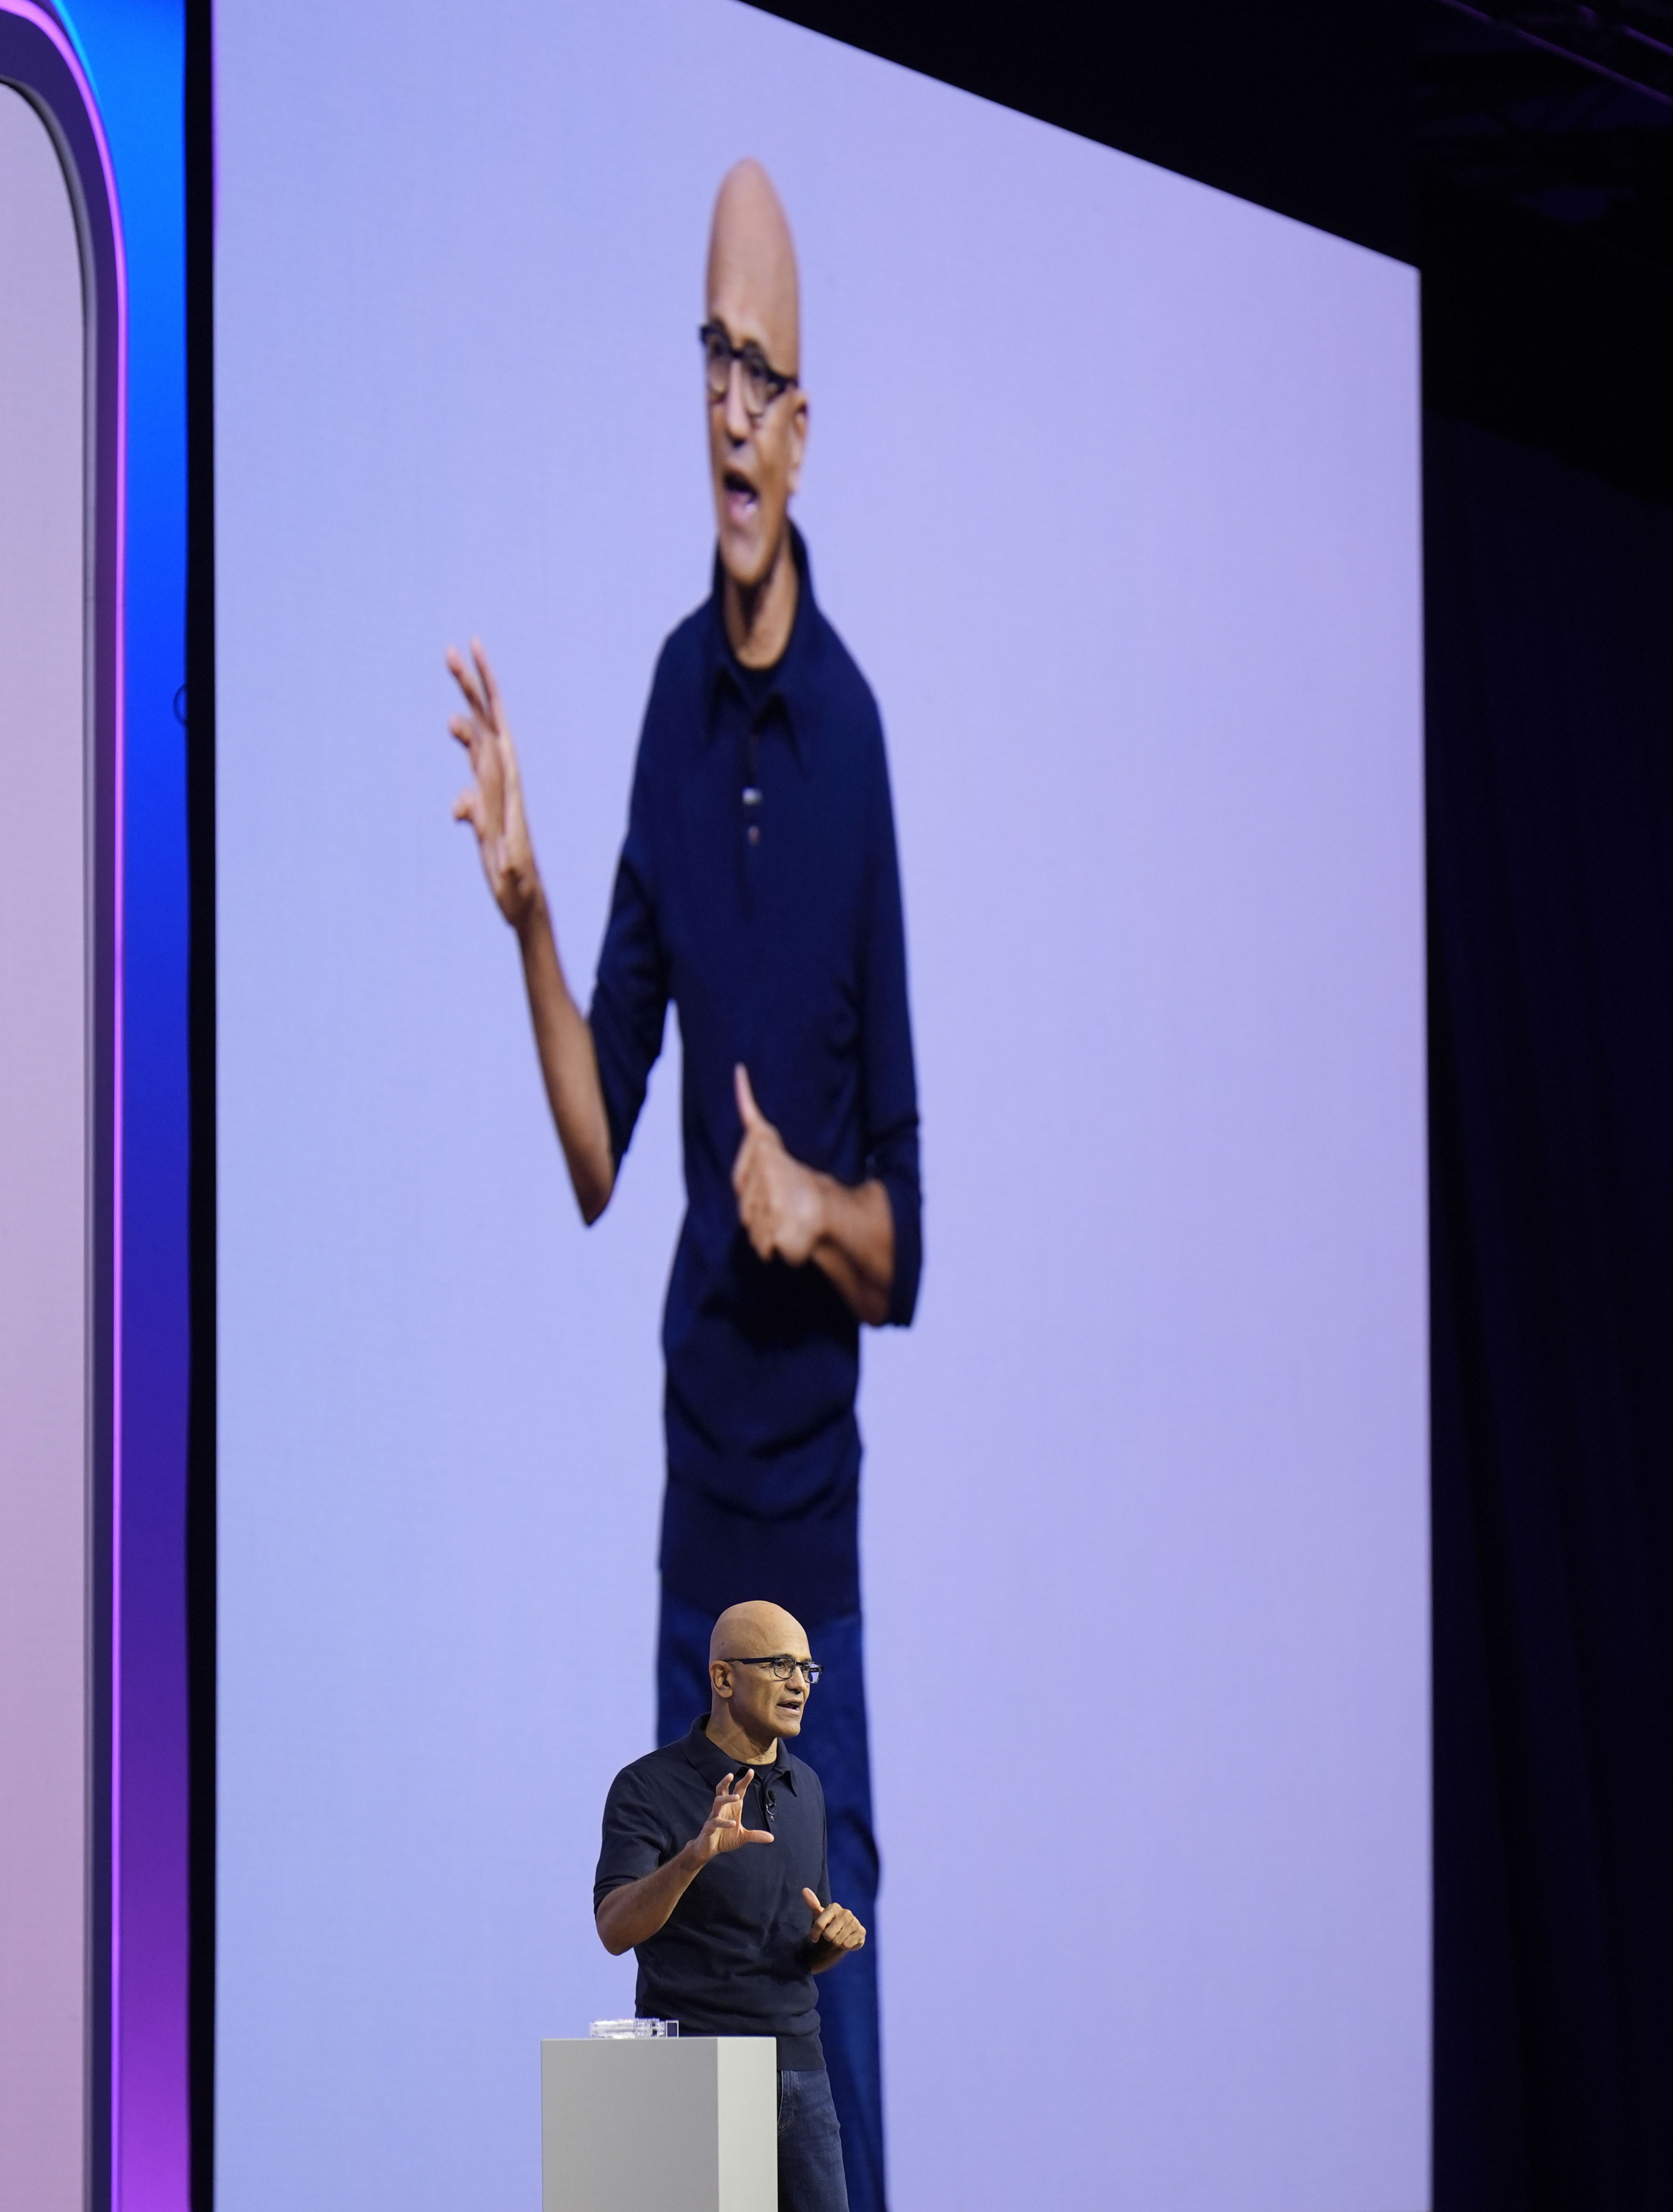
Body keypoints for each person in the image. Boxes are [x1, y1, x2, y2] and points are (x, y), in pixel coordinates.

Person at [446, 158, 917, 2212]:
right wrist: (533, 911)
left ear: (805, 430)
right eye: (708, 360)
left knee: (821, 2103)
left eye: (764, 371)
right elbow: (586, 1150)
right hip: (685, 1538)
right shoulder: (657, 700)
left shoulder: (854, 737)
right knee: (671, 2139)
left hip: (801, 1569)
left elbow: (908, 1238)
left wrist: (808, 1207)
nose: (730, 404)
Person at [596, 1601, 865, 2212]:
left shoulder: (809, 1788)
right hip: (696, 2075)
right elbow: (614, 1929)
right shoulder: (647, 1786)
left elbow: (795, 1951)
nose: (799, 1684)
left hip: (800, 2071)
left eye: (806, 1669)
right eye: (779, 1666)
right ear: (723, 1678)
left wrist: (830, 1940)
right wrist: (693, 1857)